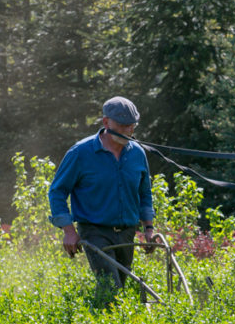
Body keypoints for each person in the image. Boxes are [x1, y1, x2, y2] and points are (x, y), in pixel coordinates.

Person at [49, 96, 157, 301]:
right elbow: (57, 192)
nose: (128, 131)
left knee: (120, 288)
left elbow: (144, 193)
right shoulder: (80, 153)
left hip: (126, 232)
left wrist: (149, 229)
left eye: (132, 126)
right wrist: (69, 231)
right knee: (111, 289)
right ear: (106, 122)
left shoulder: (138, 154)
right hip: (94, 230)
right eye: (122, 125)